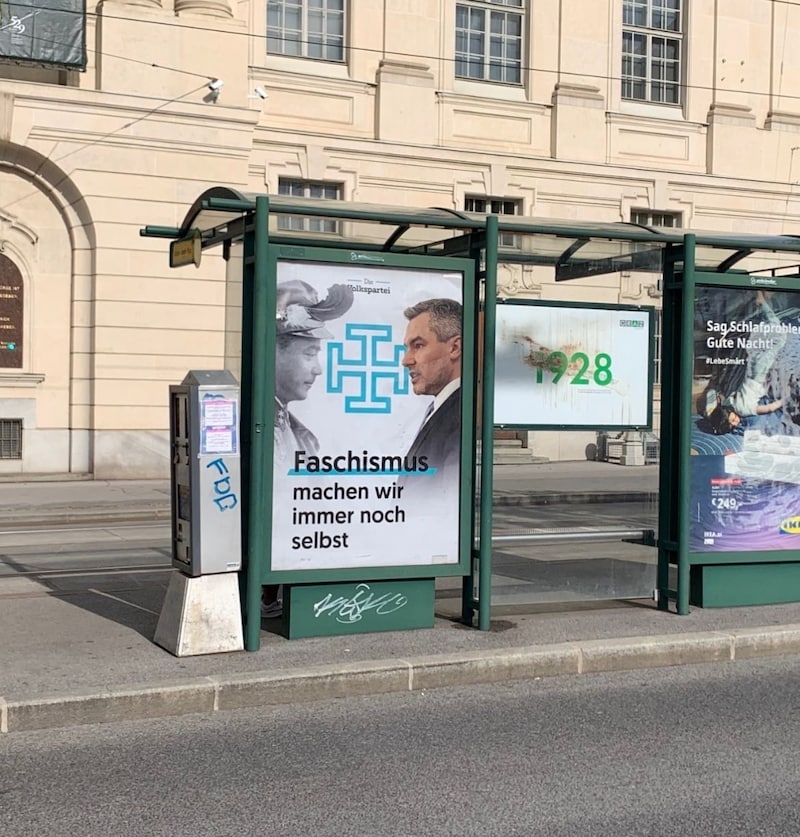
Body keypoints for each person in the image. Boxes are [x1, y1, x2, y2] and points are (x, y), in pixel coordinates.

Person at [262, 278, 354, 618]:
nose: (317, 368)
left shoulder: (298, 433)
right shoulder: (264, 427)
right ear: (275, 351)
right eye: (309, 353)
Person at [701, 290, 787, 435]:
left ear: (727, 416)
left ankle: (762, 304)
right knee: (771, 338)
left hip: (759, 374)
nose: (736, 423)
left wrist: (785, 400)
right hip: (750, 371)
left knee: (779, 337)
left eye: (732, 421)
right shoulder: (728, 403)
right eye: (734, 425)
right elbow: (714, 401)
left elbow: (769, 408)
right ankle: (762, 305)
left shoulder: (744, 410)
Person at [400, 297, 463, 490]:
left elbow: (449, 502)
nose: (406, 360)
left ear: (454, 348)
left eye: (418, 346)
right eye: (407, 348)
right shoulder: (443, 407)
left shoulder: (460, 413)